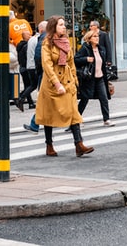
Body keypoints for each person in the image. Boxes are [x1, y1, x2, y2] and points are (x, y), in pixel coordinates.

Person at [35, 15, 94, 157]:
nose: (64, 27)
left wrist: (75, 80)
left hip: (67, 82)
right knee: (48, 114)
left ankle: (79, 144)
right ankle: (49, 145)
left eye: (64, 24)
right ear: (53, 26)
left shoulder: (66, 42)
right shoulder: (46, 43)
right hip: (51, 83)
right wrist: (56, 83)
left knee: (74, 113)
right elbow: (47, 65)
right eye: (61, 24)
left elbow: (71, 62)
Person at [74, 30, 115, 127]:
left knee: (104, 98)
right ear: (89, 39)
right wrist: (86, 59)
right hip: (89, 78)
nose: (97, 38)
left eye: (97, 36)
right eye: (94, 36)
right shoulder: (85, 49)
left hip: (100, 78)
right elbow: (75, 59)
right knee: (85, 99)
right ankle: (76, 120)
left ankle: (106, 119)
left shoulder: (101, 49)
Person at [15, 30, 32, 112]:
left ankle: (30, 102)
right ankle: (20, 96)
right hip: (26, 67)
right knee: (31, 85)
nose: (30, 36)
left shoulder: (19, 45)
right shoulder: (27, 46)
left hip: (22, 67)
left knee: (27, 85)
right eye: (29, 34)